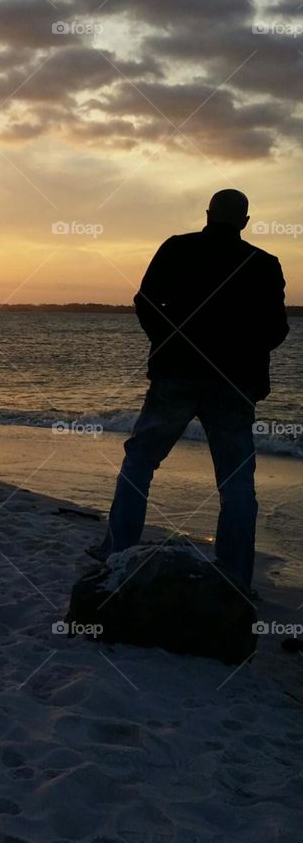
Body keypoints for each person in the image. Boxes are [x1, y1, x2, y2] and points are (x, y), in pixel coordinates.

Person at [94, 190, 288, 595]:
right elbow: (277, 329)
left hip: (176, 374)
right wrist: (243, 352)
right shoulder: (263, 264)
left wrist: (167, 341)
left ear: (208, 215)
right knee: (235, 480)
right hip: (234, 381)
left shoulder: (178, 248)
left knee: (140, 461)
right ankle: (235, 575)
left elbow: (145, 302)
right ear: (245, 221)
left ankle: (117, 553)